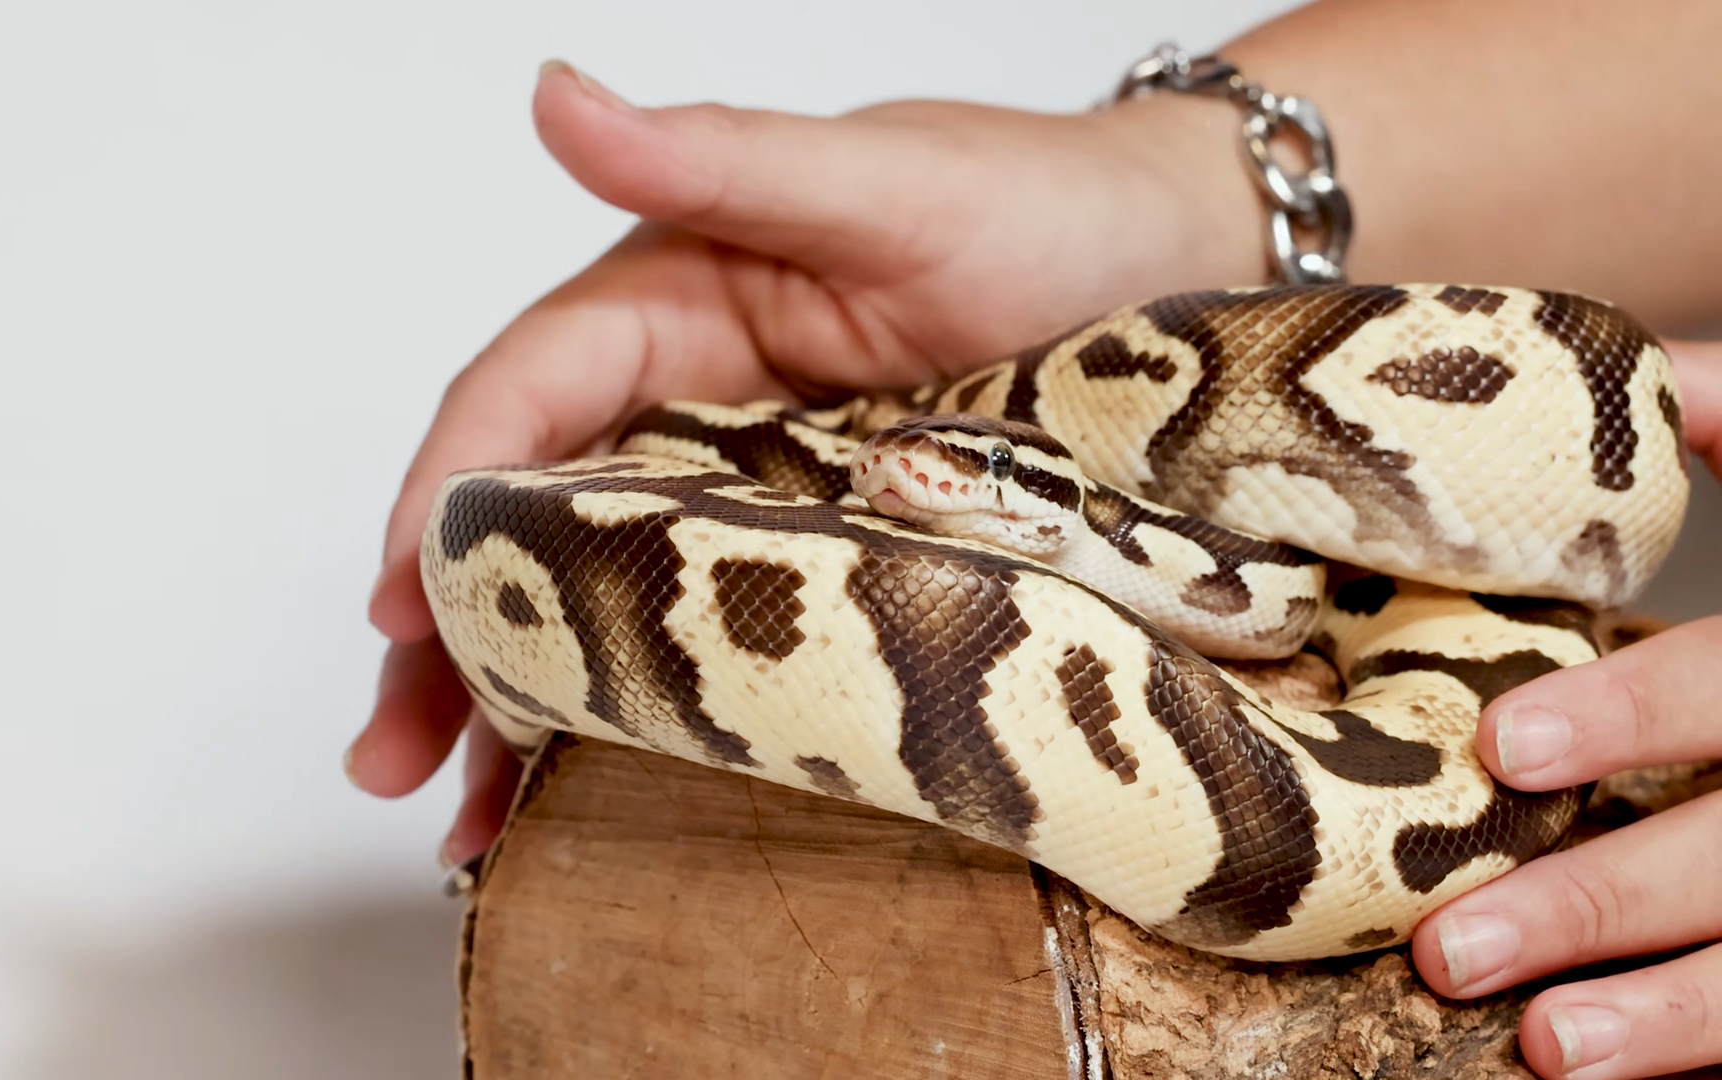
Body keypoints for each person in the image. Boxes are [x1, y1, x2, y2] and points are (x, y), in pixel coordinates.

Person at [351, 1, 1722, 1076]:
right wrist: (1155, 190)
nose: (920, 464)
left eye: (981, 460)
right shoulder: (1104, 518)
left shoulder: (1192, 558)